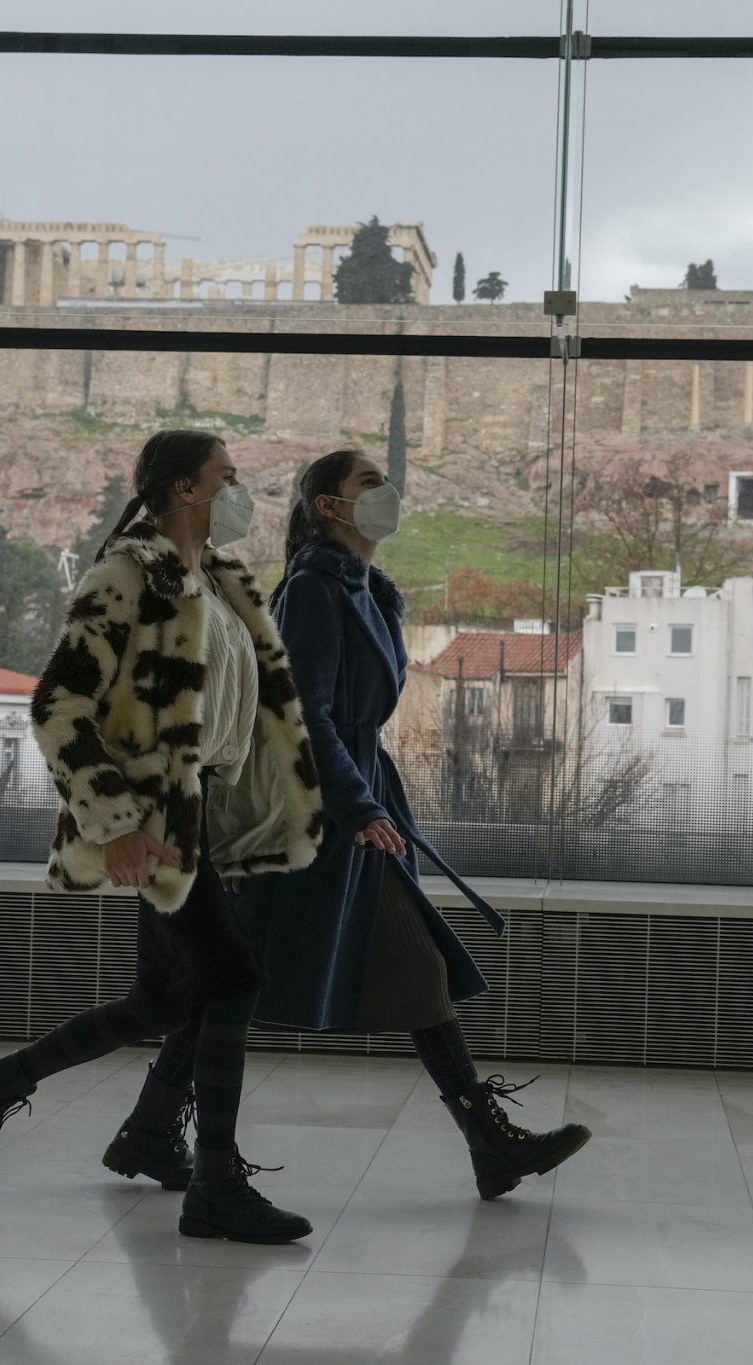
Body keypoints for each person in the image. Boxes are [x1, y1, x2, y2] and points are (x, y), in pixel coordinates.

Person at [0, 429, 327, 1245]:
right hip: (154, 817)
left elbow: (234, 719)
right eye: (227, 476)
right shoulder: (128, 576)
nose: (240, 489)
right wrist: (111, 821)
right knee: (234, 976)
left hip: (203, 818)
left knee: (163, 998)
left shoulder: (216, 582)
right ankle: (216, 1183)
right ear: (186, 488)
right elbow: (58, 706)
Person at [226, 448, 590, 1200]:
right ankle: (491, 1142)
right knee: (239, 975)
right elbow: (306, 712)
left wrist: (366, 799)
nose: (385, 491)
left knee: (255, 970)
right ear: (329, 506)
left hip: (356, 798)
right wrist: (357, 804)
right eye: (367, 482)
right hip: (326, 806)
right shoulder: (315, 589)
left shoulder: (365, 589)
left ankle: (154, 1121)